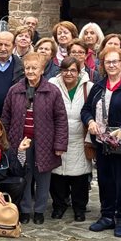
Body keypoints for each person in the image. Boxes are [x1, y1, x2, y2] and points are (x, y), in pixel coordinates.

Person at [81, 46, 121, 237]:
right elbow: (85, 110)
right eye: (108, 62)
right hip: (101, 142)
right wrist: (90, 122)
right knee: (105, 180)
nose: (112, 65)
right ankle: (107, 216)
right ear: (103, 65)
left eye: (115, 61)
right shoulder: (99, 85)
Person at [0, 52, 67, 224]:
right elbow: (5, 117)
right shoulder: (15, 90)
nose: (30, 71)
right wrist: (5, 141)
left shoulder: (52, 91)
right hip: (20, 141)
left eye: (34, 68)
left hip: (44, 141)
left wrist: (59, 144)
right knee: (24, 176)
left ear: (42, 70)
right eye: (27, 67)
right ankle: (25, 209)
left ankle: (39, 210)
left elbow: (61, 119)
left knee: (43, 176)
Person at [48, 56, 93, 221]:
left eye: (73, 70)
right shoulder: (52, 86)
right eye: (65, 70)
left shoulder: (89, 87)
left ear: (79, 71)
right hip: (57, 136)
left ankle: (79, 208)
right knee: (58, 175)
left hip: (79, 137)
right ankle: (59, 205)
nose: (69, 74)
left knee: (79, 176)